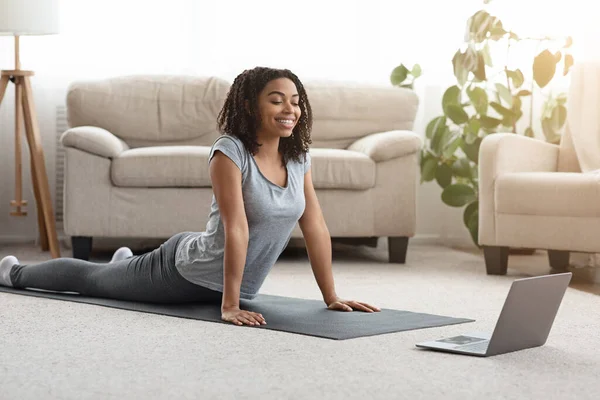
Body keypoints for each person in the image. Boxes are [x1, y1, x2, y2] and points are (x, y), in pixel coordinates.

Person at [0, 67, 380, 326]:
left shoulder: (298, 157)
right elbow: (236, 228)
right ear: (250, 106)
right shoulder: (229, 151)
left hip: (218, 274)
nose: (290, 109)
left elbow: (314, 224)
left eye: (295, 100)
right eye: (277, 99)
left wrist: (331, 296)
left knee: (117, 273)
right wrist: (229, 306)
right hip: (184, 272)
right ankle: (13, 272)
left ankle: (126, 264)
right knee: (94, 279)